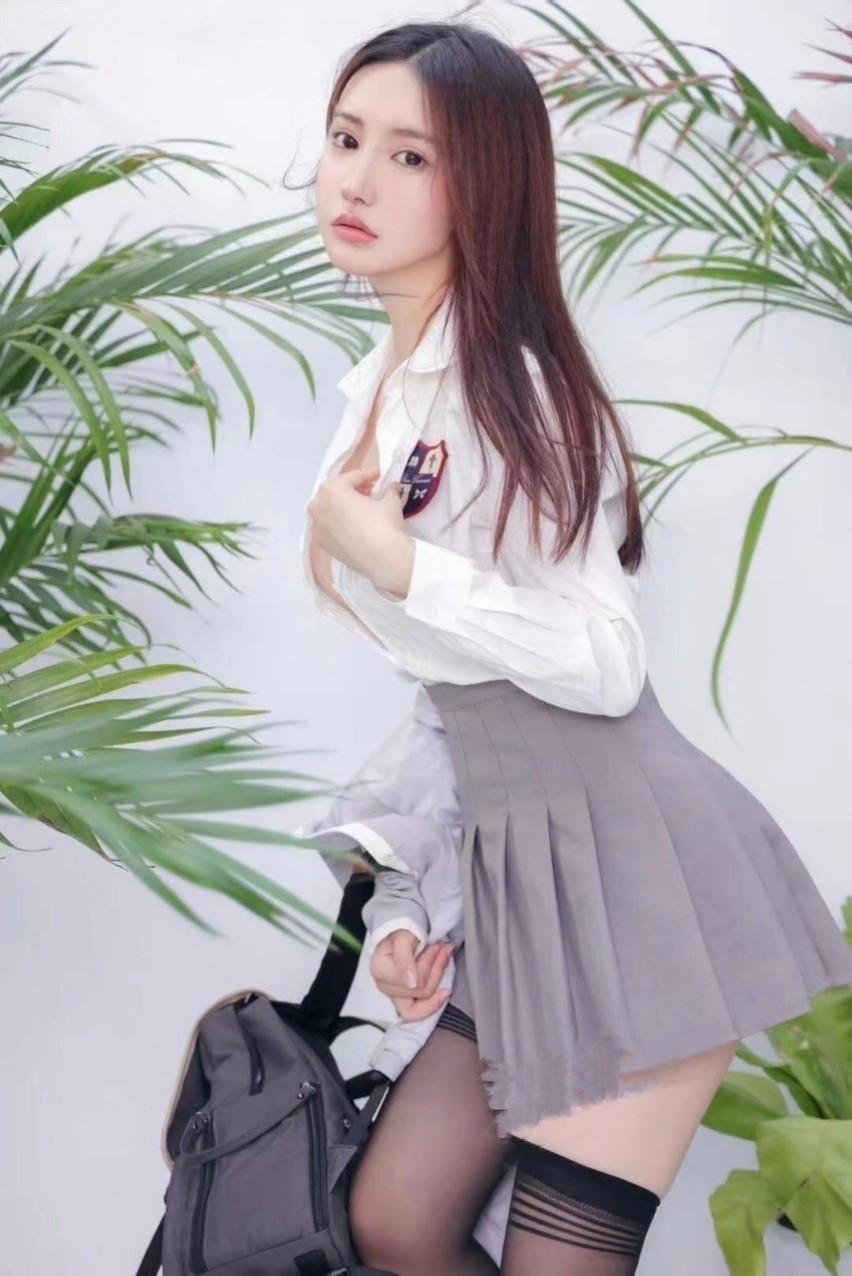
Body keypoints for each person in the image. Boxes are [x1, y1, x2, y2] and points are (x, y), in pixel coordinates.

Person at [292, 21, 852, 1275]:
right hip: (524, 889)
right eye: (344, 140)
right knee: (393, 1218)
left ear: (486, 184)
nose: (358, 181)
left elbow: (601, 663)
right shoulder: (379, 392)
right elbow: (451, 707)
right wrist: (412, 902)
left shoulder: (517, 391)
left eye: (411, 156)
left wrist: (401, 562)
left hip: (639, 878)